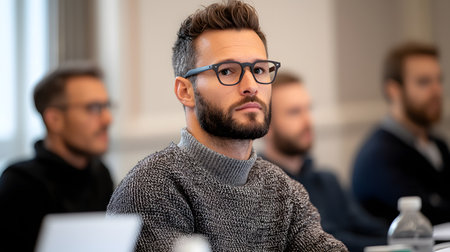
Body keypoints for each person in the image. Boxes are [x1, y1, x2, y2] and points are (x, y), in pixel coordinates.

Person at [107, 1, 347, 251]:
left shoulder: (284, 191)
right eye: (227, 71)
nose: (251, 85)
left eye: (258, 69)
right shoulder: (152, 188)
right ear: (185, 91)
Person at [260, 72, 387, 252]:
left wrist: (411, 237)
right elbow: (325, 242)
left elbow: (370, 228)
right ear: (266, 126)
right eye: (294, 112)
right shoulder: (263, 189)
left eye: (308, 109)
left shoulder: (328, 181)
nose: (308, 121)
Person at [0, 62, 114, 252]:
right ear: (54, 119)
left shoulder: (100, 174)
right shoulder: (20, 184)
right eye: (93, 108)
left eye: (106, 106)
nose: (107, 119)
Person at [352, 42, 450, 225]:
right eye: (424, 82)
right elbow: (427, 217)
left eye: (439, 80)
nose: (437, 90)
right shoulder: (379, 157)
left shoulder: (438, 144)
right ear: (393, 90)